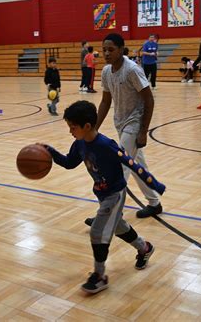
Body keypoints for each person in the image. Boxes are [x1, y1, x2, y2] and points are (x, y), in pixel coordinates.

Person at [41, 100, 165, 294]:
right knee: (118, 226)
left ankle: (100, 276)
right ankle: (145, 248)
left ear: (87, 126)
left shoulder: (106, 145)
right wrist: (51, 152)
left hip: (114, 194)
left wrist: (155, 184)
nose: (70, 131)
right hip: (101, 193)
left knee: (97, 232)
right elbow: (68, 163)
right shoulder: (79, 144)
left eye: (73, 127)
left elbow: (132, 163)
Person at [87, 33, 163, 220]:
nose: (106, 53)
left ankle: (111, 213)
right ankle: (154, 203)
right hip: (120, 122)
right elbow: (105, 101)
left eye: (111, 49)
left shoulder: (132, 70)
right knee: (137, 166)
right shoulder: (106, 71)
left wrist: (143, 131)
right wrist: (94, 128)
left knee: (121, 166)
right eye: (104, 49)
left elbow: (149, 100)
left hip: (135, 123)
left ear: (121, 49)